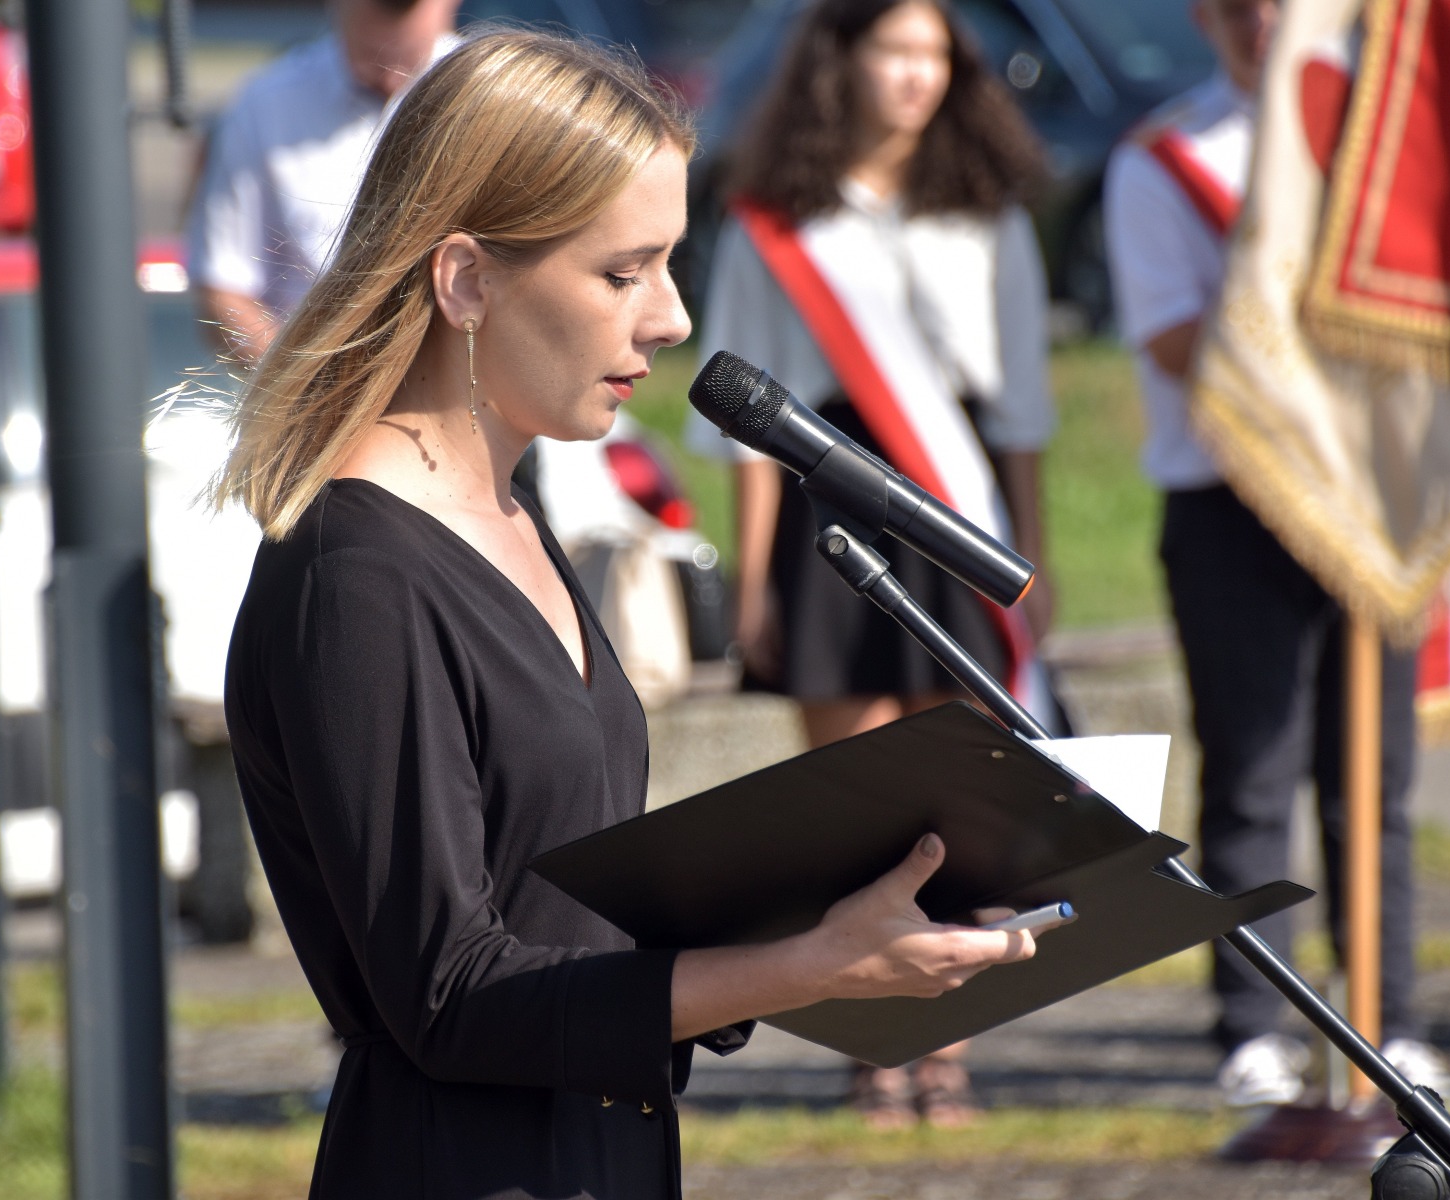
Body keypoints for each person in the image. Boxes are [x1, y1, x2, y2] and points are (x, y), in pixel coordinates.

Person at [217, 31, 1043, 1198]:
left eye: (669, 265)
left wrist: (839, 908)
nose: (670, 319)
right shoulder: (357, 576)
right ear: (466, 281)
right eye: (623, 273)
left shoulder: (509, 513)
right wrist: (808, 968)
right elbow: (452, 996)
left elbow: (566, 920)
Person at [692, 0, 1057, 1127]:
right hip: (830, 516)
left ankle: (946, 1044)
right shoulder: (773, 217)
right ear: (840, 59)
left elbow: (1022, 413)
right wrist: (756, 578)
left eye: (933, 54)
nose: (915, 75)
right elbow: (749, 431)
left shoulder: (985, 213)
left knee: (955, 793)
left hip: (954, 515)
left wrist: (1032, 562)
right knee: (854, 800)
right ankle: (872, 1046)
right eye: (894, 50)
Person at [1103, 0, 1450, 1107]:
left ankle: (1388, 1021)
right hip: (1232, 502)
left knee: (1373, 783)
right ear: (1204, 18)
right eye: (1239, 7)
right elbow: (1172, 339)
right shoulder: (1164, 157)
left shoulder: (1378, 138)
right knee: (1251, 776)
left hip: (1364, 498)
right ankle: (1255, 1026)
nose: (1263, 23)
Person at [186, 0, 461, 363]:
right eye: (372, 54)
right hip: (309, 378)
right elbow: (222, 287)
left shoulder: (492, 98)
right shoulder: (267, 103)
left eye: (404, 11)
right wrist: (307, 383)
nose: (391, 76)